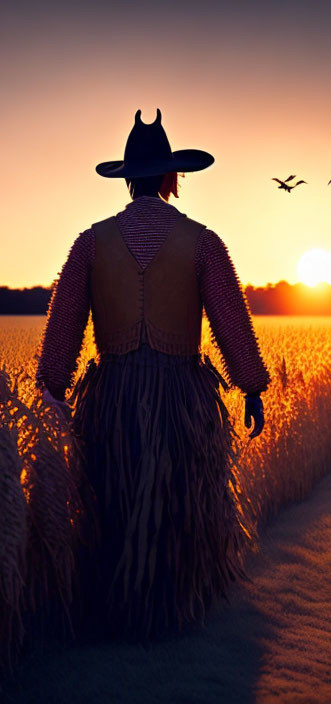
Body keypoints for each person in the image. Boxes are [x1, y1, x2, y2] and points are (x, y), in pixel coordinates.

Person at [36, 109, 270, 638]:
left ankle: (116, 611)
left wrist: (51, 392)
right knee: (177, 507)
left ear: (127, 178)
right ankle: (170, 609)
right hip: (182, 403)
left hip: (110, 402)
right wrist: (251, 388)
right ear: (172, 178)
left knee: (112, 501)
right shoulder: (203, 241)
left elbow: (61, 335)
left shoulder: (90, 244)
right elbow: (231, 322)